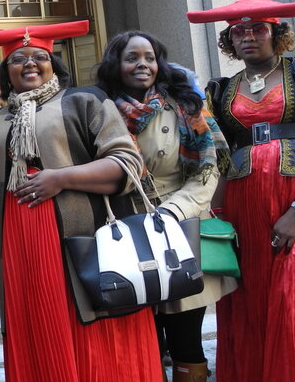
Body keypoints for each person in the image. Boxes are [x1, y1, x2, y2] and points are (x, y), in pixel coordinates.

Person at [0, 21, 162, 382]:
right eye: (18, 59)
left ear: (54, 63)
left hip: (84, 239)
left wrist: (61, 178)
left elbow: (128, 164)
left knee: (94, 331)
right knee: (38, 328)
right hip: (19, 244)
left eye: (39, 56)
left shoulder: (84, 101)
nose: (29, 64)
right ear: (4, 73)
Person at [187, 0, 295, 382]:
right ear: (230, 40)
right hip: (242, 212)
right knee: (249, 303)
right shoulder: (221, 90)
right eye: (238, 31)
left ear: (276, 33)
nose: (248, 36)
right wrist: (217, 219)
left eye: (258, 28)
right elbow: (217, 156)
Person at [95, 31, 237, 382]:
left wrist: (173, 211)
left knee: (186, 340)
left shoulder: (187, 107)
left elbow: (208, 171)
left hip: (179, 231)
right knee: (140, 342)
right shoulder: (98, 109)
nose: (142, 64)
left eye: (150, 57)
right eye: (132, 57)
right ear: (117, 64)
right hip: (126, 236)